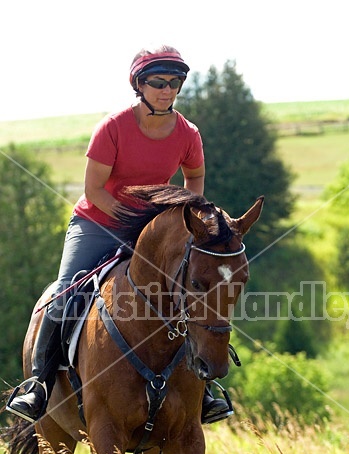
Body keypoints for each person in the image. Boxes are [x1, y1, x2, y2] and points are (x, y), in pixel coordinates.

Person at [7, 45, 233, 425]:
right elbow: (95, 189)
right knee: (66, 290)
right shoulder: (112, 128)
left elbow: (194, 180)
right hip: (97, 222)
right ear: (139, 85)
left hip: (150, 230)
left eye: (174, 82)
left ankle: (205, 390)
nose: (167, 89)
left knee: (194, 290)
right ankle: (39, 387)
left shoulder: (188, 134)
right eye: (158, 82)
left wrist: (180, 215)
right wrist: (131, 222)